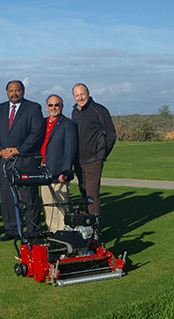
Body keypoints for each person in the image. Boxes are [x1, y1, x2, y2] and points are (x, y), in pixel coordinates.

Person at [0, 80, 45, 240]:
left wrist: (19, 150)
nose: (14, 93)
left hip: (25, 161)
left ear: (23, 91)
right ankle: (12, 230)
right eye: (11, 91)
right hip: (4, 162)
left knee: (29, 198)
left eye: (17, 90)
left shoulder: (33, 108)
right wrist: (0, 151)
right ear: (6, 92)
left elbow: (37, 132)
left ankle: (33, 231)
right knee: (6, 198)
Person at [71, 83, 116, 215]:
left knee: (92, 194)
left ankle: (94, 229)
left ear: (88, 94)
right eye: (77, 95)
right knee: (83, 192)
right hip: (79, 160)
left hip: (94, 160)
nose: (80, 98)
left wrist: (101, 153)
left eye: (82, 94)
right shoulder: (75, 112)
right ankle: (85, 225)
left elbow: (111, 135)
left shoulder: (99, 110)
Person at [40, 94, 77, 232]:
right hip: (43, 170)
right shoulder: (42, 123)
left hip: (59, 171)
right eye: (51, 105)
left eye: (57, 105)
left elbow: (70, 150)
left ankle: (62, 232)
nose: (53, 108)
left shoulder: (68, 124)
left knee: (60, 205)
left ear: (62, 106)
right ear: (46, 107)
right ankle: (52, 231)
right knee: (48, 204)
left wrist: (65, 171)